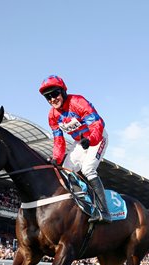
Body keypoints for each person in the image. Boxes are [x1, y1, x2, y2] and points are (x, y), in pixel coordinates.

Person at [39, 75, 111, 223]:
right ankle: (82, 203)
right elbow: (59, 140)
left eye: (55, 94)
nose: (52, 99)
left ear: (63, 92)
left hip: (97, 137)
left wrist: (91, 139)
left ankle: (104, 212)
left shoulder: (78, 102)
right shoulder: (52, 116)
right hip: (80, 142)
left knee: (88, 168)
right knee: (65, 169)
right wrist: (56, 159)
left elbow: (97, 124)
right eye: (48, 97)